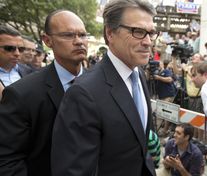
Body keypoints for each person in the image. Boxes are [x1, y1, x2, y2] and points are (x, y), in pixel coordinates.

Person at [51, 0, 158, 175]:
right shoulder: (84, 93)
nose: (147, 42)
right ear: (110, 33)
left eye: (151, 33)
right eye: (138, 32)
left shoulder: (139, 75)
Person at [0, 10, 87, 176]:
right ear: (47, 40)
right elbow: (8, 160)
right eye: (68, 35)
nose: (79, 42)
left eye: (82, 35)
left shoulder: (102, 85)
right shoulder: (21, 94)